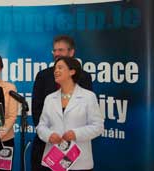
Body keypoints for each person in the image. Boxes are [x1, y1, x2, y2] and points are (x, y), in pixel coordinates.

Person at [31, 35, 93, 171]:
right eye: (54, 51)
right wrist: (49, 135)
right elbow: (37, 111)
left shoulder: (84, 78)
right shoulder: (43, 76)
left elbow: (93, 121)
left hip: (77, 151)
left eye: (61, 50)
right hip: (48, 146)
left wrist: (74, 135)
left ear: (71, 52)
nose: (57, 54)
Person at [36, 57, 104, 171]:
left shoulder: (88, 96)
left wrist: (76, 133)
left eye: (60, 67)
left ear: (72, 71)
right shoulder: (49, 98)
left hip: (79, 161)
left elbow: (98, 126)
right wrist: (49, 135)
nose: (56, 71)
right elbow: (41, 126)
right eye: (55, 68)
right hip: (54, 161)